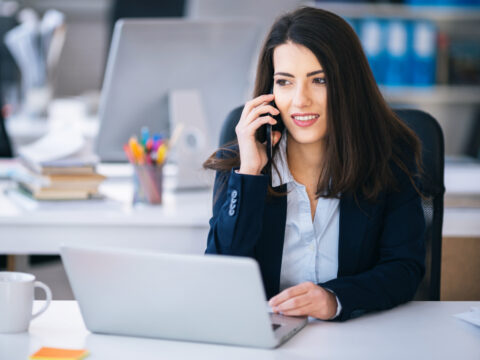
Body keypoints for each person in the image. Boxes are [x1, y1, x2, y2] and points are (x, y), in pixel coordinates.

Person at [203, 7, 425, 321]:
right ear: (270, 91)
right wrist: (250, 173)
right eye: (285, 82)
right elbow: (220, 276)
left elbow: (405, 268)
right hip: (264, 341)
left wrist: (335, 298)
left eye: (318, 80)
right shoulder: (241, 165)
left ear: (348, 85)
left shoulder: (389, 158)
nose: (300, 99)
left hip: (359, 341)